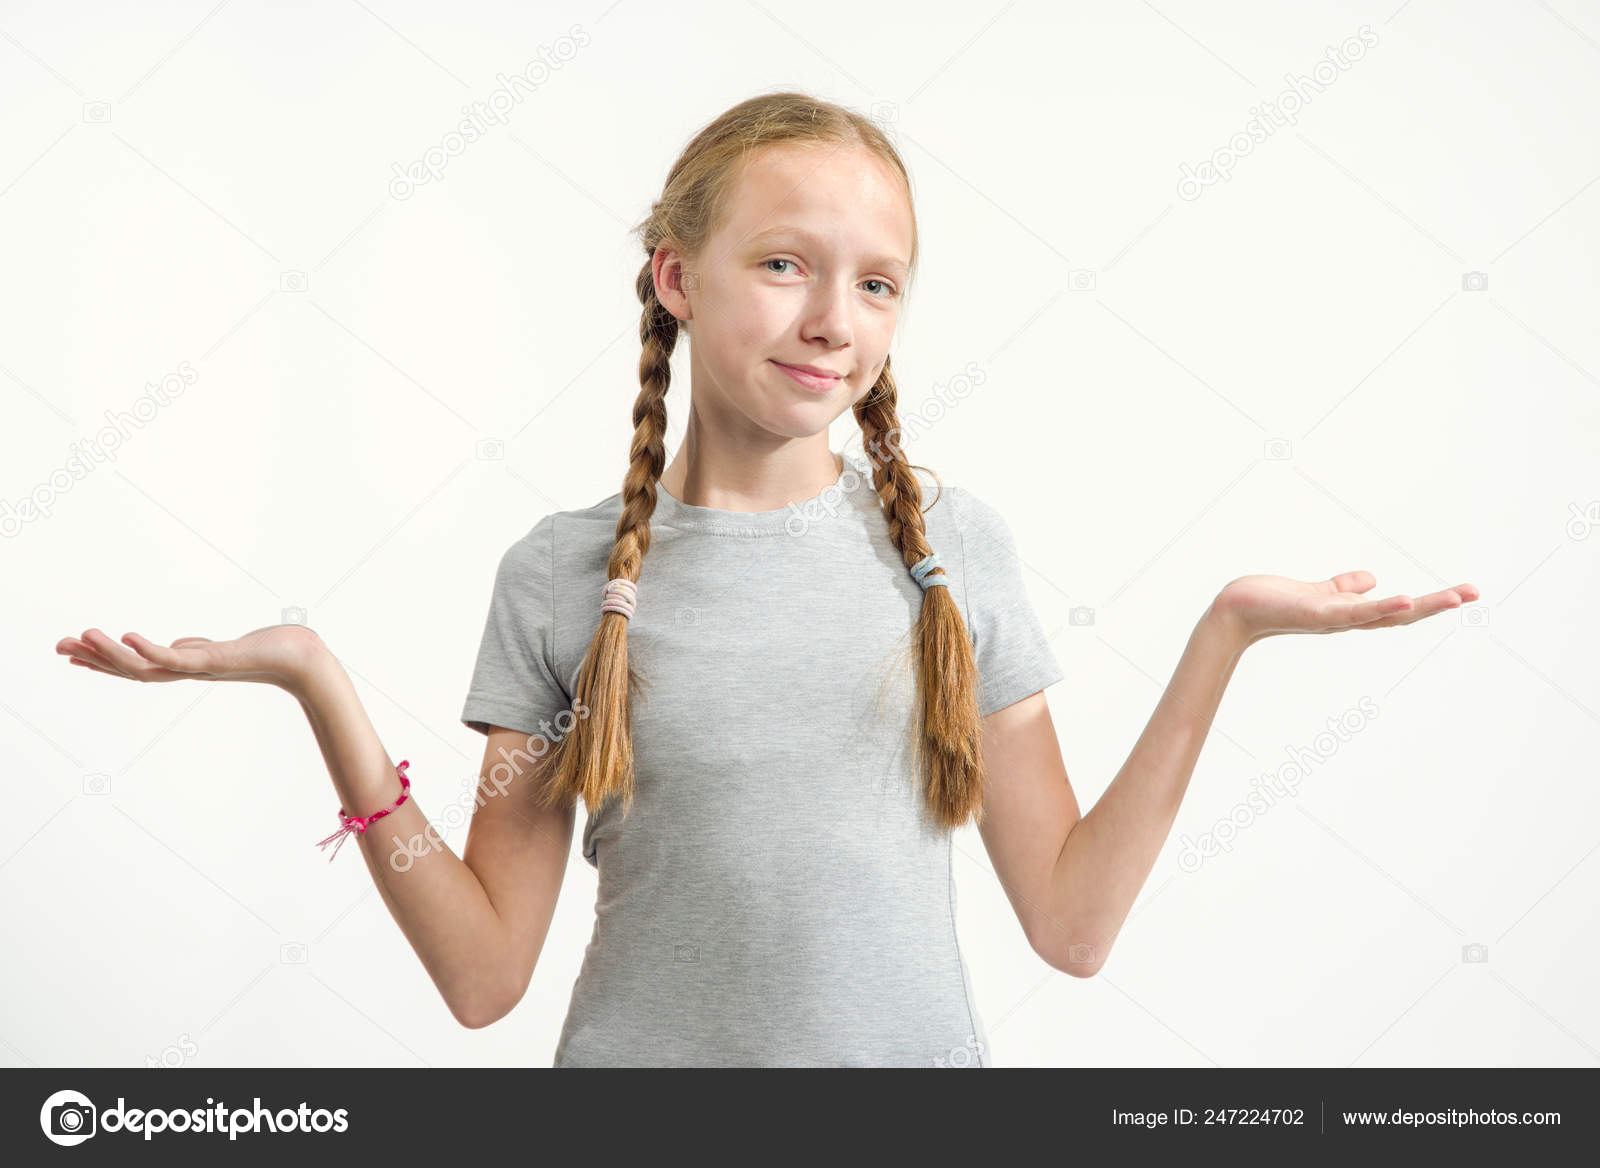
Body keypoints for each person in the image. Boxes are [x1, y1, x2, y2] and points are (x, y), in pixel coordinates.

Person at [55, 91, 1478, 1068]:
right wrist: (321, 686)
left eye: (877, 283)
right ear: (675, 277)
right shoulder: (559, 582)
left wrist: (1225, 635)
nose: (832, 321)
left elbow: (1074, 923)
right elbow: (485, 974)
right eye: (786, 263)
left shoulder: (949, 557)